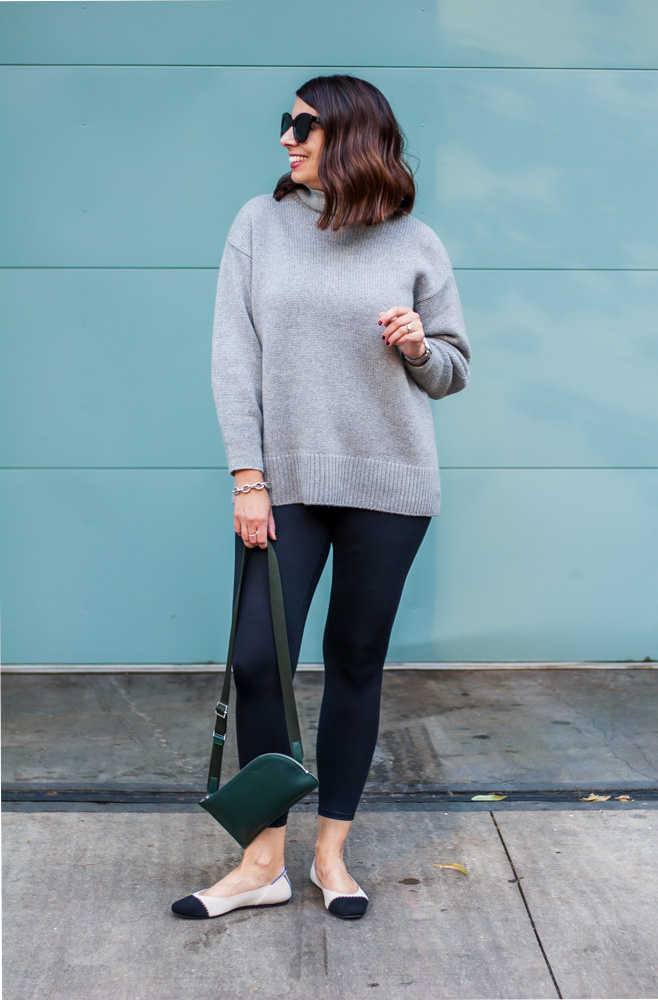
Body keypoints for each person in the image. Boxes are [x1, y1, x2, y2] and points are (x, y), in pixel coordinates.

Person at [172, 74, 470, 922]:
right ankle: (263, 859)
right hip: (284, 486)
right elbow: (235, 358)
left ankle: (330, 855)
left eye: (301, 125)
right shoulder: (258, 225)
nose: (285, 138)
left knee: (353, 662)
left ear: (349, 137)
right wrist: (247, 477)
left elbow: (453, 370)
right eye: (285, 123)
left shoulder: (416, 242)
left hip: (390, 483)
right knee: (260, 660)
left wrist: (418, 347)